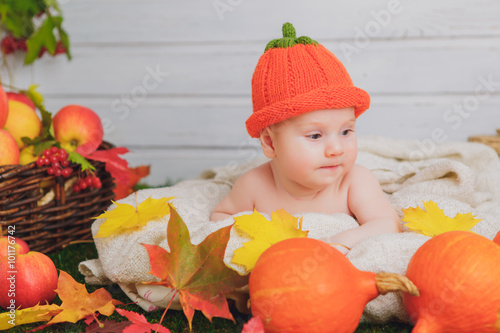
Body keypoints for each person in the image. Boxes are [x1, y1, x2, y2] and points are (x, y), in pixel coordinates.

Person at [210, 23, 401, 254]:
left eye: (346, 131)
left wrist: (341, 241)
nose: (336, 149)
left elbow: (387, 223)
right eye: (315, 135)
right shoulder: (254, 186)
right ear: (270, 144)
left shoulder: (354, 182)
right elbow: (220, 219)